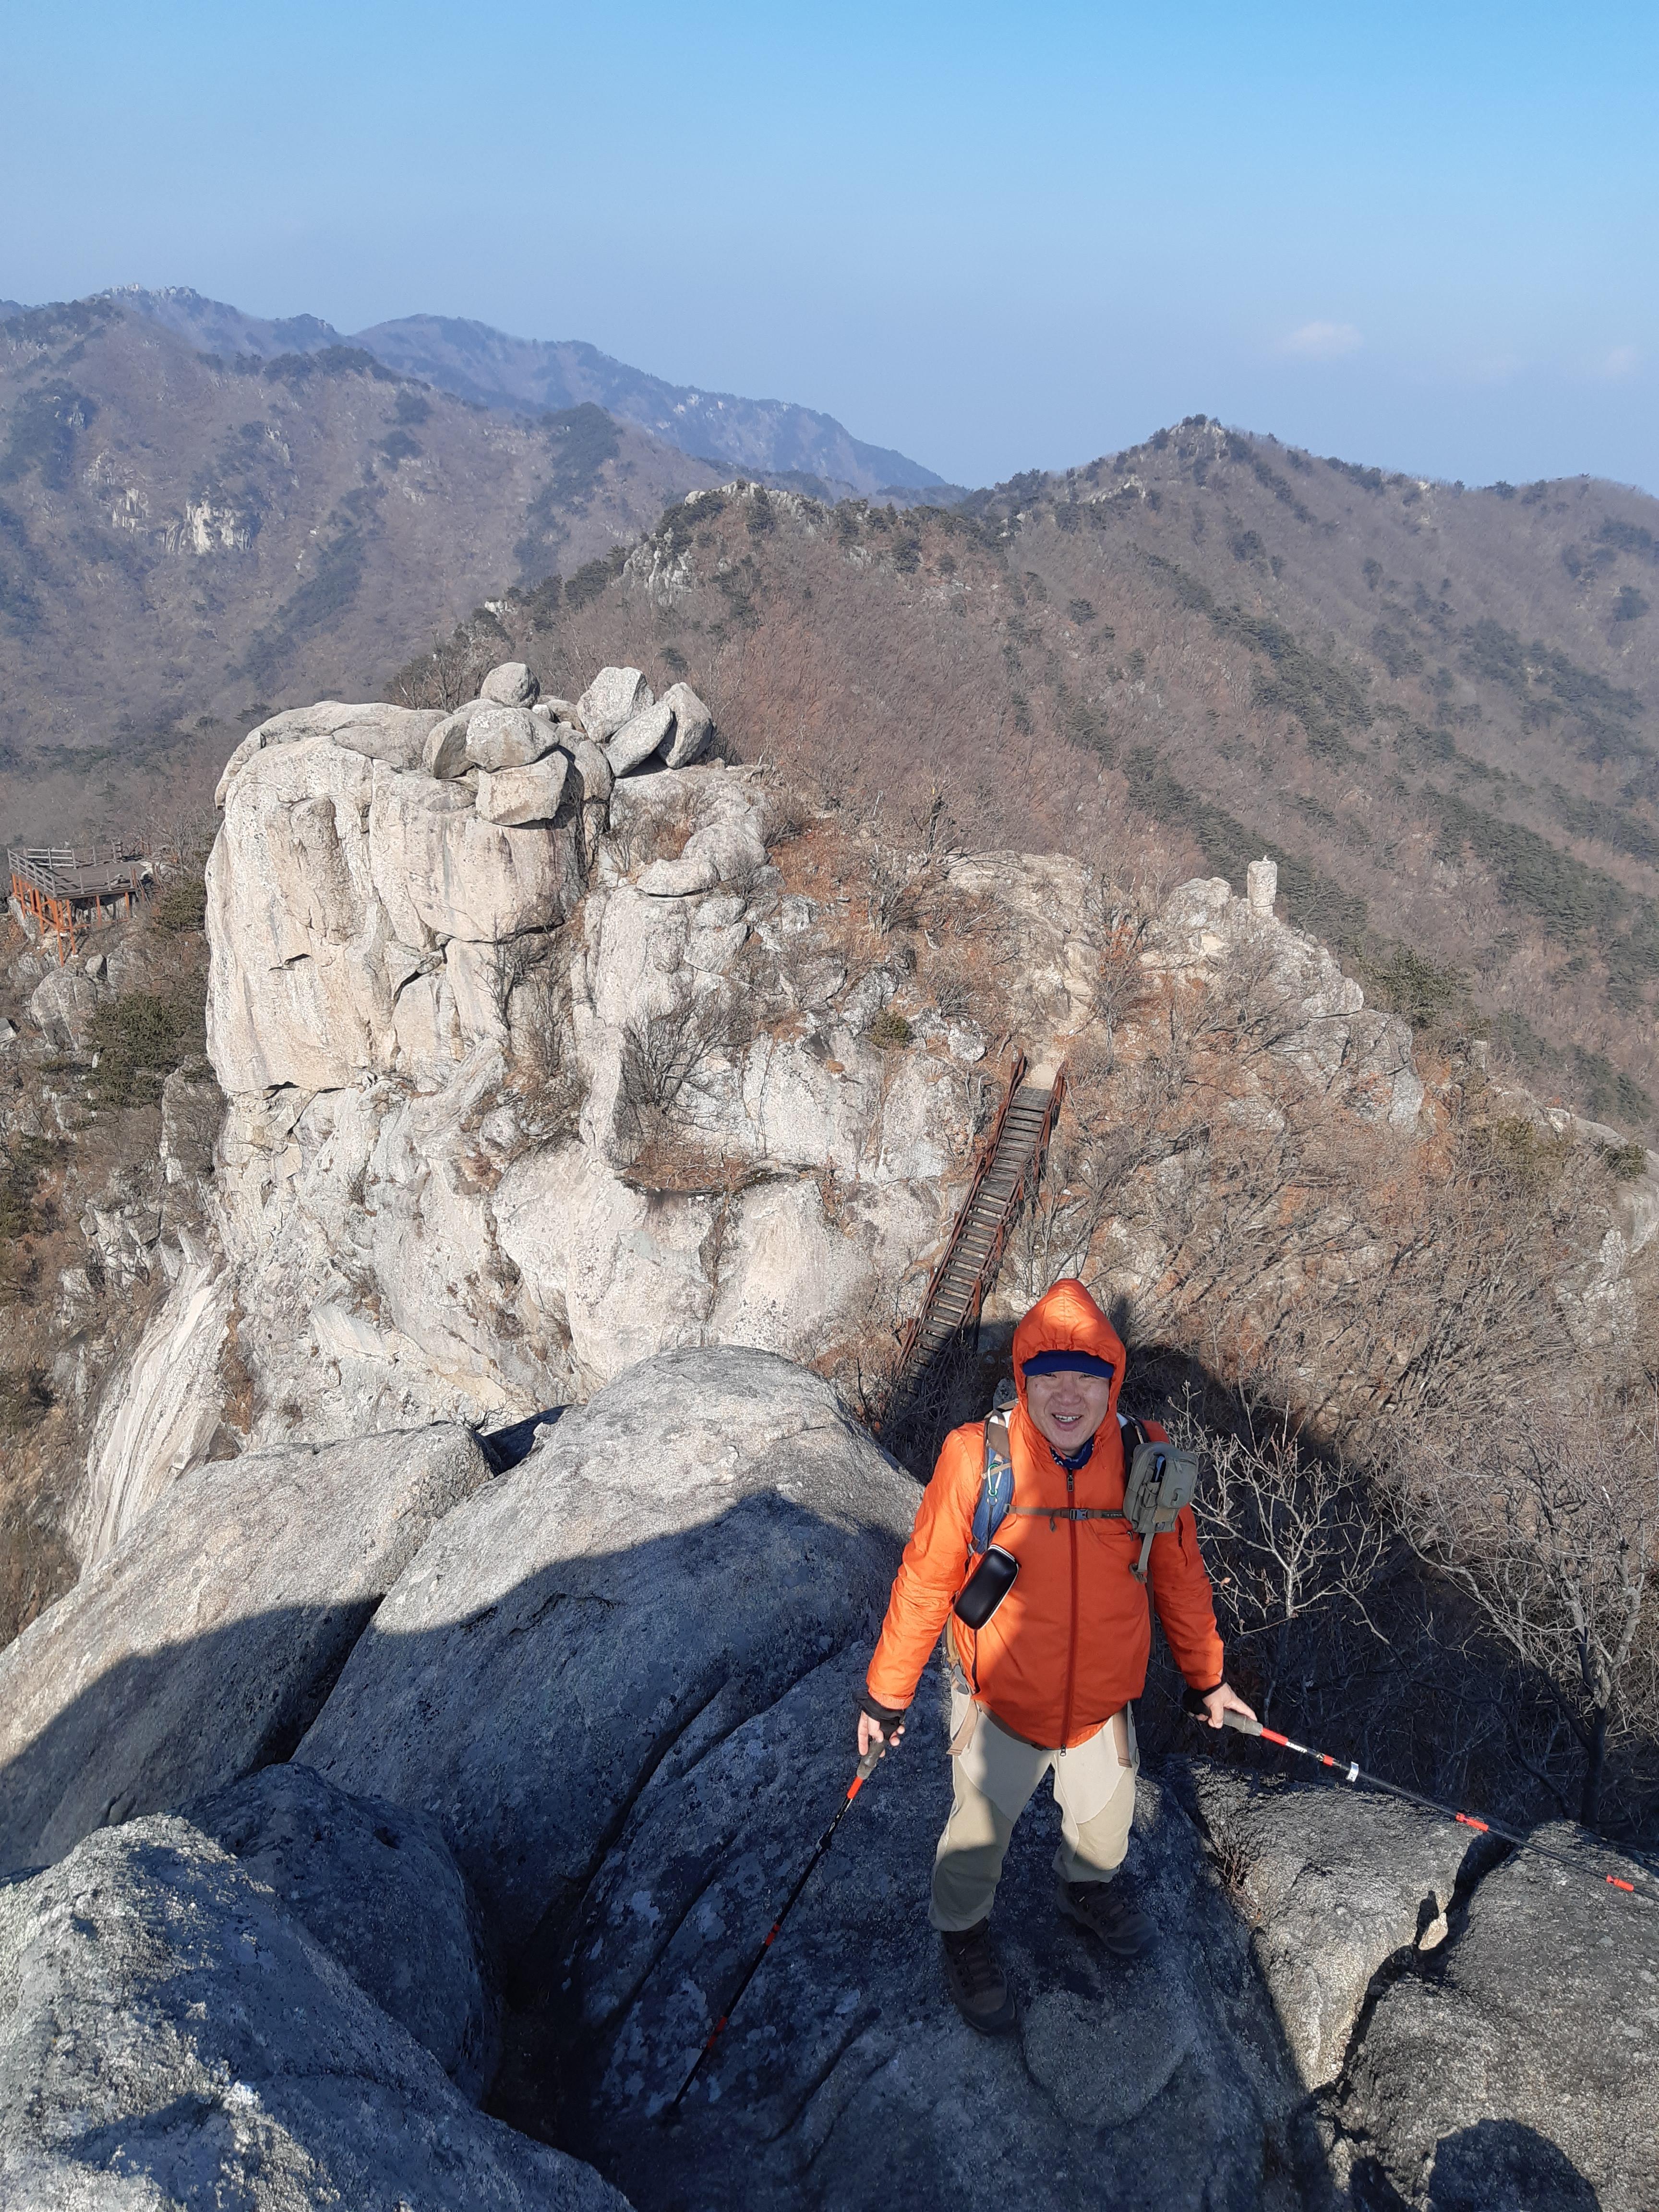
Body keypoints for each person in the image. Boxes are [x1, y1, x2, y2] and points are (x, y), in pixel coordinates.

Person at [858, 1277, 1255, 2033]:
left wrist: (1208, 1677)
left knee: (1104, 1831)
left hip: (1101, 1704)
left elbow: (1180, 1574)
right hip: (1002, 1699)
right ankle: (963, 1937)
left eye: (1087, 1378)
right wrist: (887, 1696)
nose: (1068, 1396)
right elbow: (926, 1580)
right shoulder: (977, 1458)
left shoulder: (1146, 1456)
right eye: (1049, 1377)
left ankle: (1086, 1889)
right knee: (974, 1845)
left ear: (1113, 1385)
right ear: (1022, 1381)